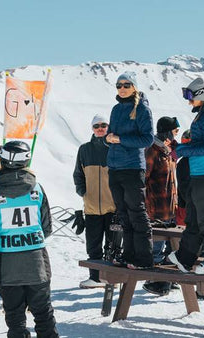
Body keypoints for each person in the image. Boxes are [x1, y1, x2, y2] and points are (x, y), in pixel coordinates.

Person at [0, 141, 59, 338]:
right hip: (36, 261)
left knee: (15, 318)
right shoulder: (37, 189)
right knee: (43, 313)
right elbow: (47, 227)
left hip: (6, 262)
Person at [168, 77, 204, 275]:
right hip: (198, 172)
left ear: (201, 94)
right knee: (193, 218)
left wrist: (182, 150)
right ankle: (185, 258)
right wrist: (181, 148)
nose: (188, 101)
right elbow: (199, 144)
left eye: (190, 96)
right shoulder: (203, 114)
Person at [105, 72, 154, 270]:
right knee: (124, 213)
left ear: (134, 86)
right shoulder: (116, 109)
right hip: (115, 166)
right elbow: (112, 136)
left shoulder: (142, 109)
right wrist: (107, 139)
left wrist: (120, 140)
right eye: (119, 85)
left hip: (133, 167)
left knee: (136, 212)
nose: (122, 88)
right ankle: (129, 255)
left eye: (126, 85)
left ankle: (144, 258)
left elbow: (147, 139)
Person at [73, 114, 116, 289]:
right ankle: (95, 277)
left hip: (113, 206)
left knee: (113, 245)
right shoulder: (84, 149)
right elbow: (78, 174)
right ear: (92, 129)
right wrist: (83, 192)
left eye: (103, 125)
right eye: (96, 126)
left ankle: (112, 277)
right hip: (91, 207)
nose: (100, 128)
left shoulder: (115, 148)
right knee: (93, 244)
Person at [142, 116, 180, 296]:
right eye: (175, 131)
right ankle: (155, 280)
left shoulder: (170, 151)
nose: (176, 134)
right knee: (157, 246)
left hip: (171, 207)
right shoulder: (153, 150)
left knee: (172, 246)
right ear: (166, 131)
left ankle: (167, 279)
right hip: (156, 207)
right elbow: (144, 177)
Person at [175, 130, 191, 227]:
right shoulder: (185, 163)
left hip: (185, 207)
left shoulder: (184, 162)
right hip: (186, 208)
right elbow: (184, 186)